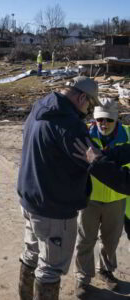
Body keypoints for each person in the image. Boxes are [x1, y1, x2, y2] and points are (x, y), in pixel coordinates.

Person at [17, 76, 100, 300]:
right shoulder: (70, 124)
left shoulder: (39, 107)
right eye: (89, 105)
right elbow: (94, 162)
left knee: (31, 253)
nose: (88, 112)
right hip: (54, 208)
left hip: (30, 198)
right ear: (82, 97)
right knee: (50, 268)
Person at [74, 99, 130, 298]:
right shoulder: (85, 136)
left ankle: (106, 271)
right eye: (99, 120)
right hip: (89, 199)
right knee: (85, 240)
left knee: (111, 241)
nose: (103, 124)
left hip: (116, 199)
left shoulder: (129, 137)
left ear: (117, 120)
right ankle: (82, 278)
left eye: (108, 120)